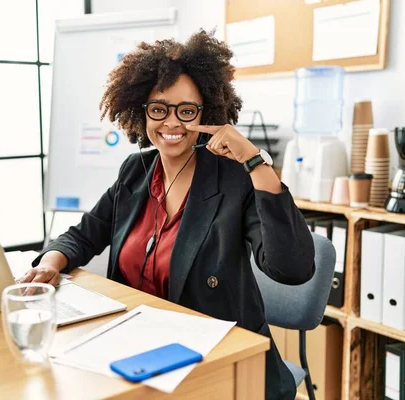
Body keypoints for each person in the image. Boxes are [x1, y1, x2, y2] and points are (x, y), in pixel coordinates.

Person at [21, 30, 314, 400]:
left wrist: (254, 161)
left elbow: (293, 268)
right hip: (137, 350)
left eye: (187, 111)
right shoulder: (135, 171)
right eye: (159, 109)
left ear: (206, 112)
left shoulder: (235, 179)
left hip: (216, 362)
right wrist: (52, 261)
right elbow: (83, 234)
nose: (172, 123)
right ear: (141, 112)